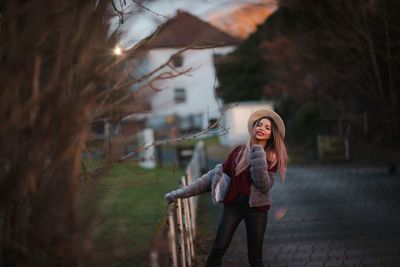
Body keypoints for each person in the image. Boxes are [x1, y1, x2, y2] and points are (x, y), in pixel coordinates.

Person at [164, 109, 288, 267]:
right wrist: (180, 193)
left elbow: (263, 185)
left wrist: (258, 152)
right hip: (233, 207)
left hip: (256, 211)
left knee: (255, 258)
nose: (261, 128)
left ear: (272, 135)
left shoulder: (271, 158)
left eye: (267, 127)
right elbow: (213, 178)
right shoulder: (238, 151)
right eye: (259, 124)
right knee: (218, 249)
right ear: (254, 127)